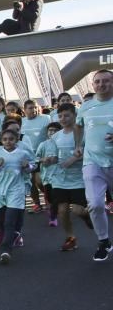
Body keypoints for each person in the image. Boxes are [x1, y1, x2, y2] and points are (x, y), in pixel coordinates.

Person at [74, 69, 113, 261]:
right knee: (96, 204)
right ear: (93, 85)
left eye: (106, 81)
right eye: (97, 82)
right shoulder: (86, 106)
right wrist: (78, 145)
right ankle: (104, 241)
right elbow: (78, 126)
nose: (101, 85)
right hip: (92, 161)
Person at [45, 105, 93, 250]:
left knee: (78, 210)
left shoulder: (83, 133)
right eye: (60, 116)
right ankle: (70, 238)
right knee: (62, 211)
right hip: (60, 180)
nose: (63, 119)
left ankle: (87, 216)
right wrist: (49, 161)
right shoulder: (55, 136)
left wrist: (71, 160)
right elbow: (53, 157)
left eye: (66, 116)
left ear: (75, 115)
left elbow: (88, 152)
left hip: (79, 179)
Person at [0, 129, 36, 263]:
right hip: (0, 191)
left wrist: (27, 166)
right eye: (5, 139)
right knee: (2, 223)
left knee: (9, 221)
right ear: (1, 140)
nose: (8, 141)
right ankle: (15, 234)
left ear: (17, 139)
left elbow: (32, 167)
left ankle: (6, 250)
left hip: (16, 190)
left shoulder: (23, 153)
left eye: (11, 139)